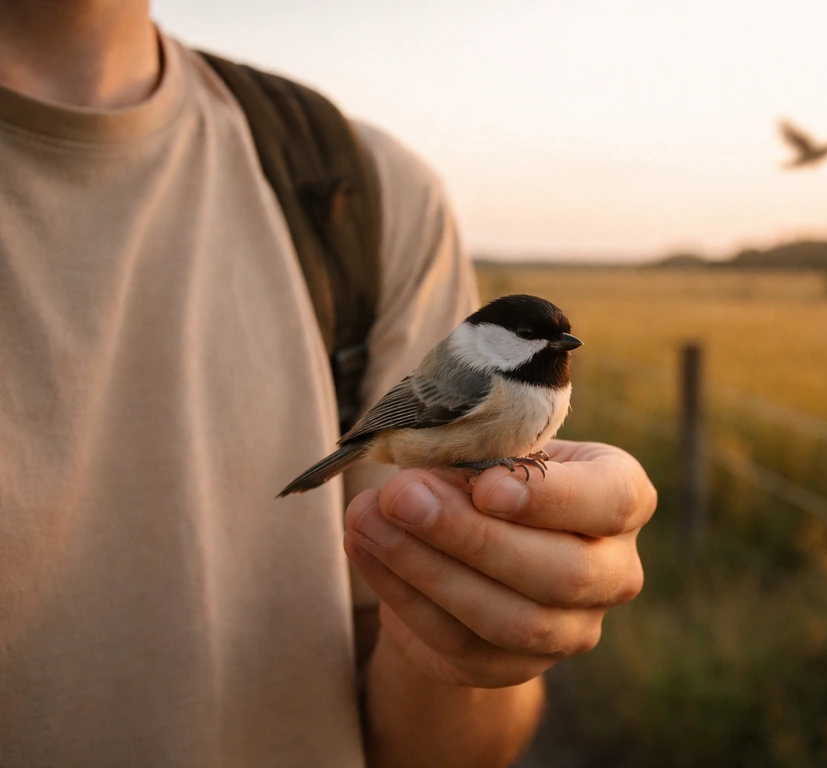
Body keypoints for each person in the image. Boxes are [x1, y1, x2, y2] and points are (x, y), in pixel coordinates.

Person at [0, 2, 657, 767]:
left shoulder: (371, 189)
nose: (556, 353)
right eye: (536, 342)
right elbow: (406, 419)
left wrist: (481, 625)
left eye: (559, 344)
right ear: (496, 345)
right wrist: (382, 450)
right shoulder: (472, 374)